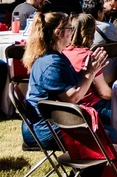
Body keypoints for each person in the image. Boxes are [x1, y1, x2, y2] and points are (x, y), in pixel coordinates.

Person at [21, 11, 109, 148]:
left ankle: (82, 169)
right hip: (45, 129)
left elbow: (72, 86)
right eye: (70, 28)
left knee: (106, 128)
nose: (72, 32)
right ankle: (84, 170)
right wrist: (90, 72)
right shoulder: (52, 63)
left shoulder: (54, 56)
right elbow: (72, 97)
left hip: (48, 122)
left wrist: (88, 70)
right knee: (109, 135)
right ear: (58, 32)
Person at [61, 14, 115, 132]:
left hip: (68, 108)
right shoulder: (88, 57)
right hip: (91, 106)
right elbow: (104, 92)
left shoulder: (62, 53)